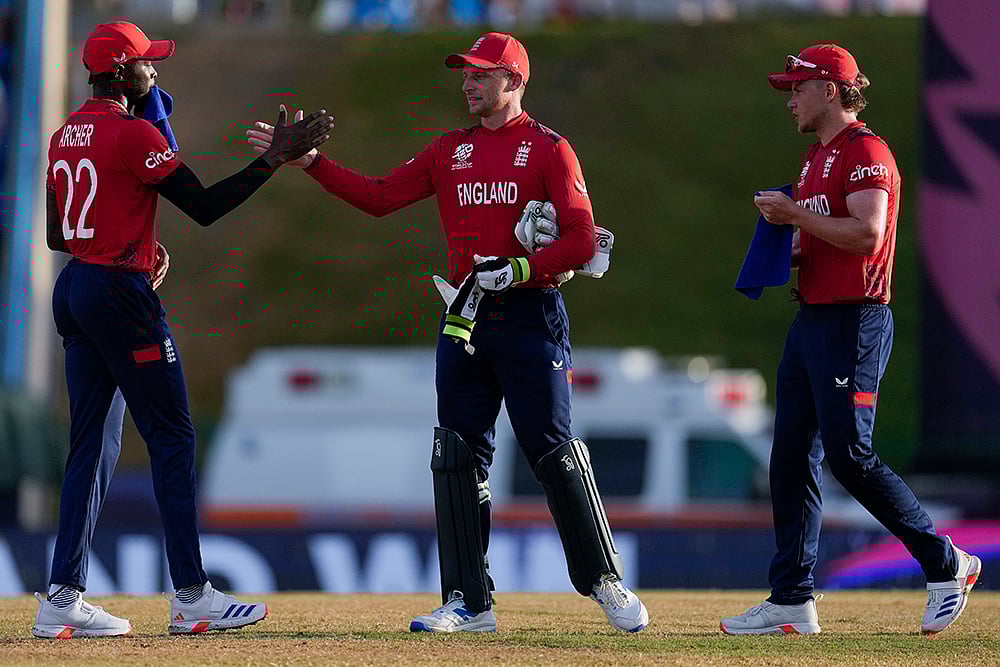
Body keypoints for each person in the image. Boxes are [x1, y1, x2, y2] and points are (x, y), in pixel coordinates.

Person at [247, 31, 648, 634]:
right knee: (458, 456)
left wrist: (517, 268)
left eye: (481, 75)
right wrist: (311, 163)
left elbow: (583, 239)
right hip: (464, 316)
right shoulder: (448, 150)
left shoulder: (548, 149)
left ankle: (603, 581)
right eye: (465, 74)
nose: (467, 83)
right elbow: (380, 197)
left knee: (553, 450)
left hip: (530, 313)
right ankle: (468, 601)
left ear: (513, 81)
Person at [34, 21, 332, 638]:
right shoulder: (134, 131)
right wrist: (273, 157)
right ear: (121, 72)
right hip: (119, 293)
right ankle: (192, 594)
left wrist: (138, 244)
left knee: (91, 445)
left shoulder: (64, 135)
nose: (155, 73)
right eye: (147, 64)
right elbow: (205, 207)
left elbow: (60, 237)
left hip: (78, 287)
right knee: (173, 437)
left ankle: (61, 596)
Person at [720, 44, 981, 636]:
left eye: (798, 88)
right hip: (813, 319)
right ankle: (791, 597)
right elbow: (823, 238)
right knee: (789, 458)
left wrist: (794, 216)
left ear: (831, 90)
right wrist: (775, 249)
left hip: (854, 321)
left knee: (850, 456)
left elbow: (867, 234)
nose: (790, 100)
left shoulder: (865, 151)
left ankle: (947, 562)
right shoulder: (818, 157)